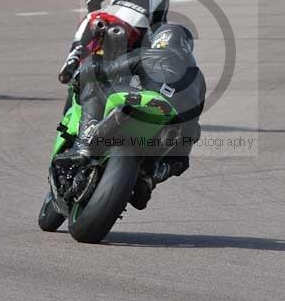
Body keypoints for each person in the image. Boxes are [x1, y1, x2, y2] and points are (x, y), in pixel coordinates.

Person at [73, 23, 206, 209]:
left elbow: (109, 69)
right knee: (182, 154)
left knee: (94, 84)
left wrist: (83, 73)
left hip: (147, 102)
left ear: (161, 39)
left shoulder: (150, 53)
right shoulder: (198, 76)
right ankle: (151, 177)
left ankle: (86, 138)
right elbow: (196, 113)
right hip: (177, 122)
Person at [58, 0, 168, 84]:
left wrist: (94, 17)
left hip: (109, 19)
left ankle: (75, 54)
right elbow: (159, 26)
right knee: (147, 57)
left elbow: (92, 0)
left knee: (90, 18)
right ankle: (142, 83)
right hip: (138, 30)